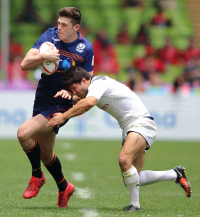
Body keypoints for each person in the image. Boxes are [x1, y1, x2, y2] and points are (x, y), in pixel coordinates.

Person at [46, 66, 192, 211]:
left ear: (84, 80)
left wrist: (64, 116)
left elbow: (88, 103)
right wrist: (69, 95)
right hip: (130, 127)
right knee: (132, 177)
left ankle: (135, 206)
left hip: (141, 123)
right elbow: (79, 99)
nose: (74, 91)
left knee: (124, 159)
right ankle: (175, 174)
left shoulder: (98, 83)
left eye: (74, 87)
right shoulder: (95, 86)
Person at [17, 7, 94, 208]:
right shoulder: (49, 37)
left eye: (64, 25)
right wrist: (44, 57)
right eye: (58, 23)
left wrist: (73, 93)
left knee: (24, 133)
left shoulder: (85, 48)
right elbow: (25, 64)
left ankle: (36, 177)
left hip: (61, 103)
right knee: (46, 154)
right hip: (42, 97)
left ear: (76, 27)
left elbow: (88, 86)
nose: (58, 27)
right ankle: (64, 187)